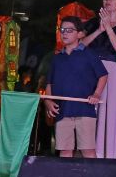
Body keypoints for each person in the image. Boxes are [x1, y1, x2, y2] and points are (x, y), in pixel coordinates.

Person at [43, 17, 107, 158]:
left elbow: (103, 75)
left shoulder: (89, 54)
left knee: (88, 150)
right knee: (65, 150)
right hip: (63, 110)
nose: (64, 33)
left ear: (80, 34)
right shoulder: (57, 58)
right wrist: (48, 102)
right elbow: (49, 83)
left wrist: (96, 94)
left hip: (85, 110)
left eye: (69, 30)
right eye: (62, 30)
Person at [80, 0, 116, 159]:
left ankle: (106, 157)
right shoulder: (92, 23)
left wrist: (109, 27)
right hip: (89, 69)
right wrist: (99, 30)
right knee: (87, 113)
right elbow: (80, 47)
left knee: (108, 114)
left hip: (110, 70)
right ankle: (87, 155)